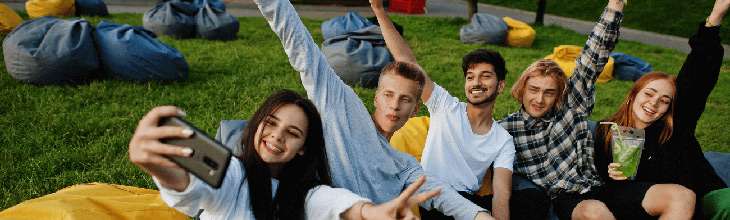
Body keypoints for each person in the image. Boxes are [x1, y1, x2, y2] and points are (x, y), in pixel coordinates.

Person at [253, 0, 492, 219]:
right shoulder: (342, 107)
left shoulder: (403, 165)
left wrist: (480, 216)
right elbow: (300, 45)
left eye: (405, 99)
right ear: (376, 97)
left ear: (415, 109)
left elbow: (442, 195)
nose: (395, 105)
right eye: (388, 95)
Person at [128, 90, 439, 219]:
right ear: (258, 124)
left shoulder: (305, 194)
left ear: (303, 146)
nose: (277, 136)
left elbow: (333, 203)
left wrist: (370, 212)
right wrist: (161, 168)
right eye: (272, 124)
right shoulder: (235, 175)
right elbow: (191, 189)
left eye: (293, 133)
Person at [368, 1, 548, 219]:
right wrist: (379, 10)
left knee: (534, 201)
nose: (476, 83)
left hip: (468, 201)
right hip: (432, 199)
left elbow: (501, 193)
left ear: (500, 85)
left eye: (485, 76)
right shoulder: (445, 106)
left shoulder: (503, 140)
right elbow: (408, 62)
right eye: (470, 77)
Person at [594, 0, 730, 219]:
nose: (654, 103)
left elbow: (697, 78)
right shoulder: (606, 130)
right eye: (648, 94)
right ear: (633, 95)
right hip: (641, 202)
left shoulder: (676, 126)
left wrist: (713, 20)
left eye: (664, 100)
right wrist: (611, 174)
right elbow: (599, 183)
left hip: (699, 196)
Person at [498, 0, 629, 219]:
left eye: (549, 92)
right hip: (571, 197)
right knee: (595, 211)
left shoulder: (571, 108)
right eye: (533, 90)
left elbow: (592, 58)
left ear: (558, 96)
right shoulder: (506, 129)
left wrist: (615, 6)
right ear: (522, 89)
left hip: (603, 184)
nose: (539, 99)